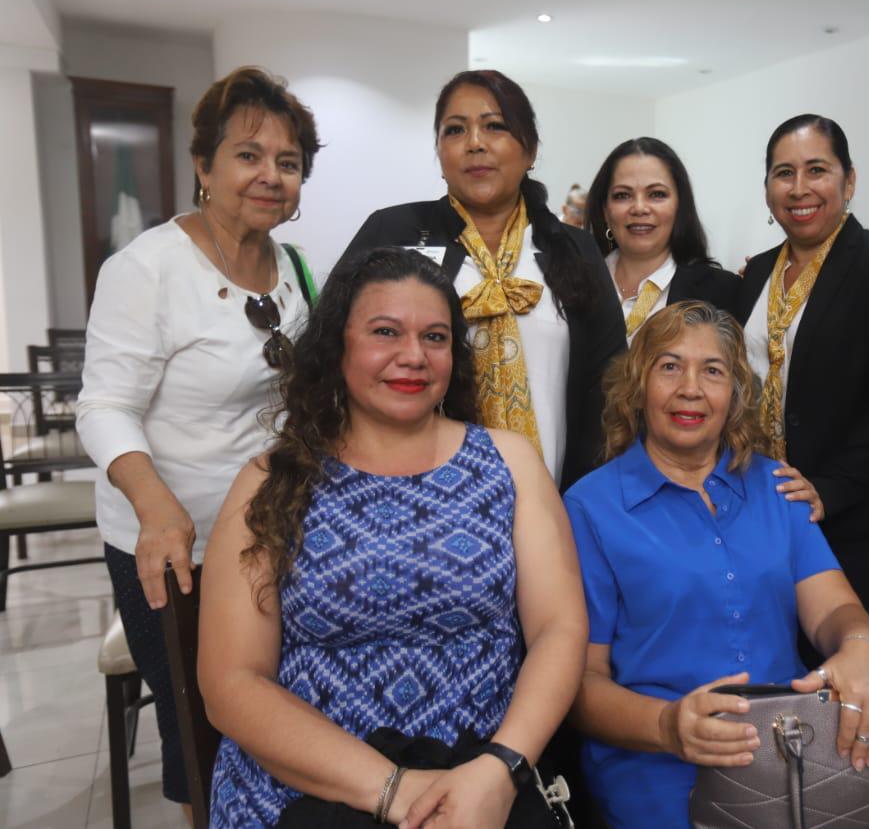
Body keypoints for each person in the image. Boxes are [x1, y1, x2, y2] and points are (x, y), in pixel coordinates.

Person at [201, 247, 588, 827]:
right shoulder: (271, 481)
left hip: (481, 780)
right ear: (338, 346)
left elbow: (559, 629)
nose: (413, 356)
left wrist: (500, 766)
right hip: (305, 789)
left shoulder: (508, 463)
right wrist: (395, 790)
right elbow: (232, 681)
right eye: (386, 332)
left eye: (435, 337)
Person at [76, 66, 320, 820]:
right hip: (175, 545)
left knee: (275, 711)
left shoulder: (294, 268)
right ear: (203, 165)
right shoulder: (146, 269)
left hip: (274, 531)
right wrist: (155, 507)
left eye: (289, 162)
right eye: (248, 154)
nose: (270, 176)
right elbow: (104, 406)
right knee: (203, 728)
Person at [565, 301, 869, 829]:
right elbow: (581, 686)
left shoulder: (776, 487)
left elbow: (834, 608)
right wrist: (665, 725)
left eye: (714, 371)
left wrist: (862, 646)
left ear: (736, 395)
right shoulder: (590, 507)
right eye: (669, 366)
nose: (691, 389)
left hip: (787, 743)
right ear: (637, 386)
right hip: (657, 757)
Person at [340, 69, 626, 490]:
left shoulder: (574, 250)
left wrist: (587, 499)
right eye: (455, 130)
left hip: (555, 498)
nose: (475, 143)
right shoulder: (393, 234)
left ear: (529, 150)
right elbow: (332, 353)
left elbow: (609, 385)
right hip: (406, 495)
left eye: (495, 126)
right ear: (439, 153)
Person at [734, 114, 869, 626]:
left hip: (846, 512)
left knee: (817, 653)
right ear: (767, 187)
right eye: (783, 173)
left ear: (850, 180)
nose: (799, 188)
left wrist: (830, 487)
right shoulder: (755, 272)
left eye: (816, 169)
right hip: (755, 506)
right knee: (760, 648)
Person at [585, 137, 739, 343]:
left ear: (679, 205)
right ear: (605, 210)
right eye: (622, 195)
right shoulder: (573, 283)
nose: (639, 208)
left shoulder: (722, 291)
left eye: (657, 194)